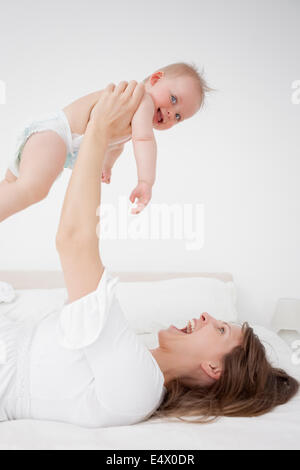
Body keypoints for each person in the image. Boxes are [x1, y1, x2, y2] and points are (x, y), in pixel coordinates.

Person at [0, 82, 298, 428]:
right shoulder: (136, 357)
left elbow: (74, 241)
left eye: (218, 330)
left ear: (214, 369)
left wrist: (99, 129)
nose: (205, 315)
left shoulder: (139, 388)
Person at [0, 62, 210, 223]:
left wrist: (106, 165)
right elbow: (144, 140)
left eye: (178, 117)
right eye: (173, 100)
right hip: (56, 134)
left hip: (51, 135)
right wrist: (146, 181)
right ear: (155, 79)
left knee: (11, 186)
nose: (170, 113)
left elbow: (116, 144)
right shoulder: (143, 100)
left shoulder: (130, 112)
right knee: (32, 189)